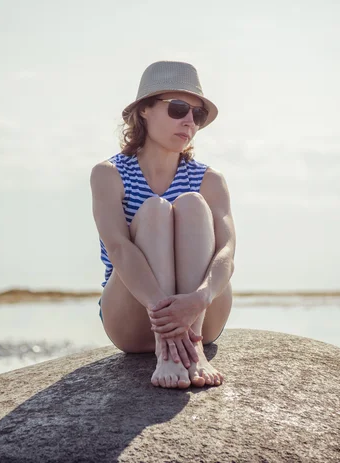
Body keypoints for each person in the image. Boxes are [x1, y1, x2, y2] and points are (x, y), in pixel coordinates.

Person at [90, 61, 235, 389]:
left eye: (196, 115)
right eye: (179, 109)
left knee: (192, 205)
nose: (189, 122)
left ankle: (192, 348)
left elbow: (227, 252)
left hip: (202, 314)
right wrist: (165, 312)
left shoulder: (209, 180)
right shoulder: (109, 174)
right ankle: (168, 346)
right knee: (155, 210)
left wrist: (199, 299)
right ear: (144, 111)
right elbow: (118, 248)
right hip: (136, 315)